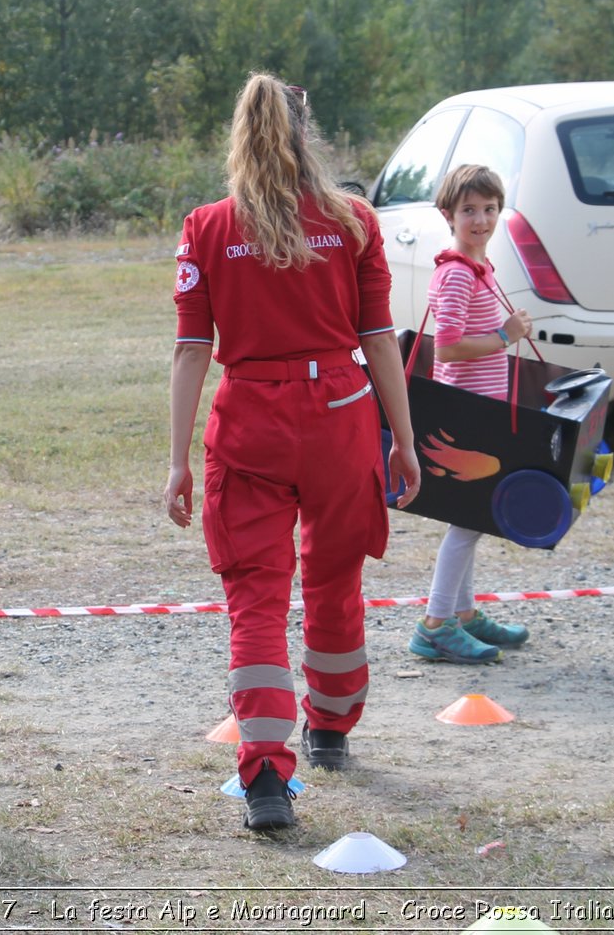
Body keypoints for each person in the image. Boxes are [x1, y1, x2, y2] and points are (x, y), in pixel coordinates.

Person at [165, 73, 421, 832]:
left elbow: (189, 350)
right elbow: (379, 338)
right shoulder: (354, 222)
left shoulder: (206, 227)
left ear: (238, 135)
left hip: (251, 420)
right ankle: (333, 725)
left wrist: (177, 459)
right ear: (307, 133)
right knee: (336, 578)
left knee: (256, 598)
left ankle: (268, 776)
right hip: (342, 415)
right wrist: (403, 441)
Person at [406, 164, 534, 665]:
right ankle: (435, 625)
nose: (480, 220)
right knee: (467, 523)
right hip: (464, 416)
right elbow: (449, 350)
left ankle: (463, 615)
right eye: (468, 211)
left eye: (489, 209)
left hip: (482, 411)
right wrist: (505, 337)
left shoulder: (479, 269)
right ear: (448, 215)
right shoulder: (457, 274)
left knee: (474, 517)